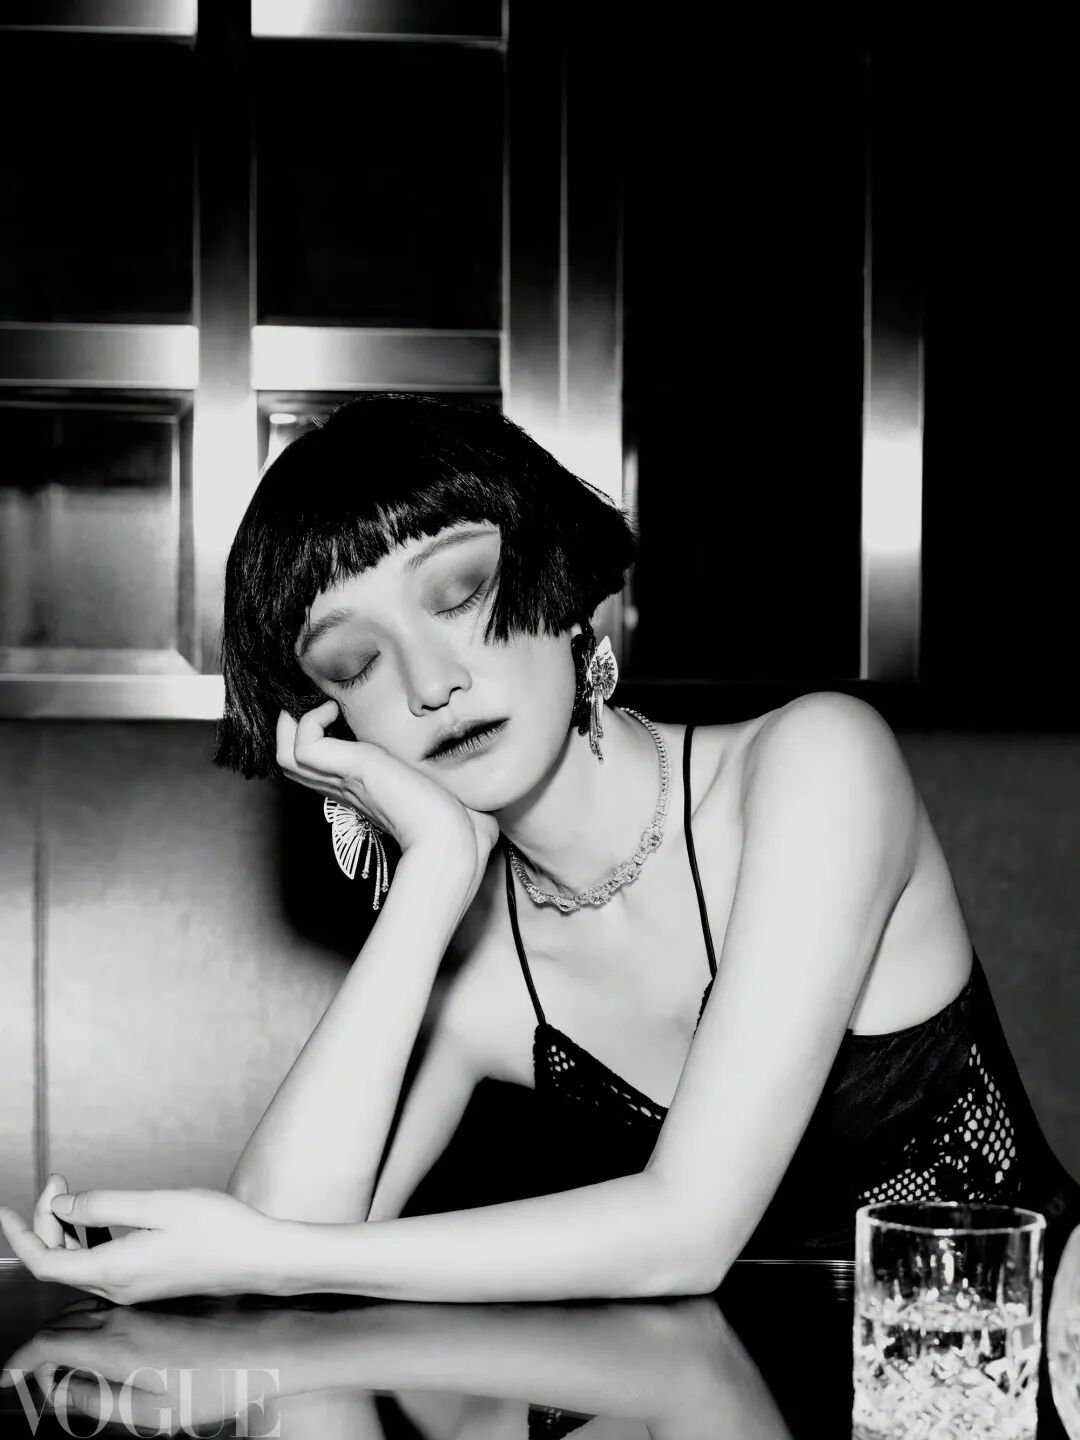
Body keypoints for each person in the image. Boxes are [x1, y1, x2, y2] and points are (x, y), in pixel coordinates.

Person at [2, 394, 1078, 1307]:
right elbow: (283, 1235)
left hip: (1003, 1374)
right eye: (357, 663)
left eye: (460, 595)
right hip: (713, 1399)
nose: (432, 684)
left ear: (561, 585)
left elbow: (686, 1233)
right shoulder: (482, 965)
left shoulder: (815, 766)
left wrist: (272, 1255)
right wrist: (431, 878)